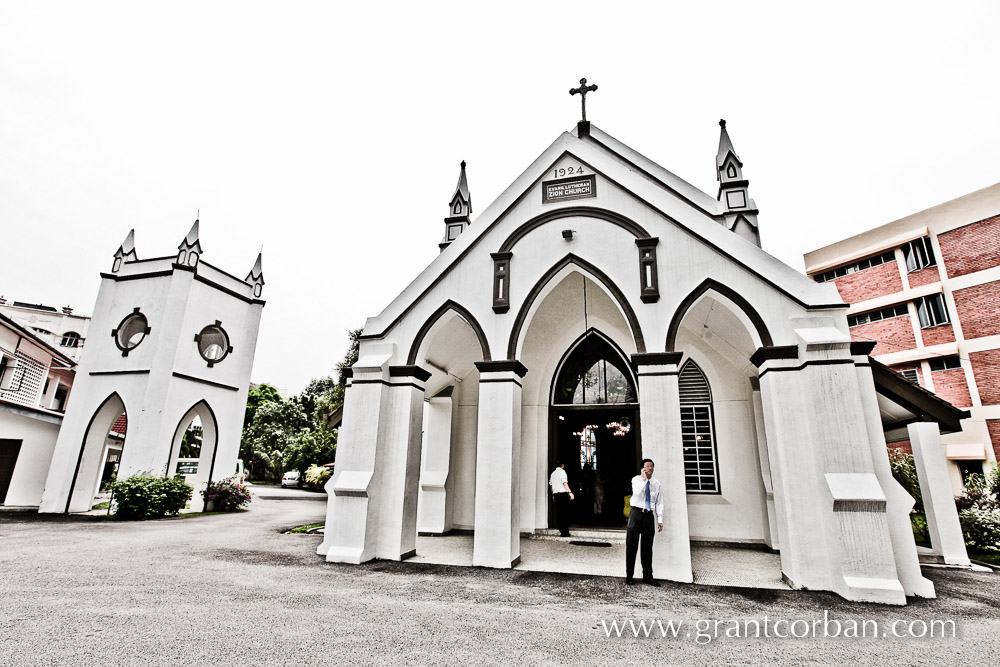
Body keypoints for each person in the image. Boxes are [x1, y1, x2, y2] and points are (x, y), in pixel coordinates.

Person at [625, 458, 663, 586]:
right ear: (642, 468)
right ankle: (629, 576)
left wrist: (660, 519)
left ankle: (648, 576)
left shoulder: (657, 483)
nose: (650, 468)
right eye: (647, 466)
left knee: (647, 547)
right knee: (631, 545)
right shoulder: (636, 480)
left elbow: (659, 502)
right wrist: (644, 480)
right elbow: (636, 493)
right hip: (635, 514)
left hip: (648, 516)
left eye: (652, 466)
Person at [549, 460, 574, 537]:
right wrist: (570, 492)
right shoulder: (562, 472)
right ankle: (565, 532)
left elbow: (551, 485)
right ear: (562, 465)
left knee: (559, 512)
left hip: (556, 494)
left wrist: (553, 494)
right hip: (563, 494)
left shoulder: (553, 473)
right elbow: (564, 483)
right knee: (564, 513)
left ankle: (560, 528)